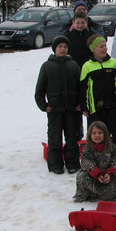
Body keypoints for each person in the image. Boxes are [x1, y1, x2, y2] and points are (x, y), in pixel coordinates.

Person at [34, 36, 81, 174]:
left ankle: (72, 162)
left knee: (72, 136)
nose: (62, 49)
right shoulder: (47, 66)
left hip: (71, 108)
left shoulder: (73, 65)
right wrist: (44, 105)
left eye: (65, 47)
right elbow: (40, 89)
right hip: (55, 109)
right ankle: (55, 164)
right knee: (54, 138)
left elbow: (80, 86)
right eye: (60, 47)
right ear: (55, 48)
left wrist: (80, 103)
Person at [79, 35, 116, 159]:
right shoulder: (87, 66)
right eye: (100, 46)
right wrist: (84, 105)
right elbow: (83, 88)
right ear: (93, 49)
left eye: (105, 45)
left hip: (113, 104)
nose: (104, 48)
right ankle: (96, 156)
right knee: (97, 131)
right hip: (95, 107)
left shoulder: (113, 62)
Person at [73, 120, 116, 202]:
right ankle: (86, 196)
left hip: (109, 179)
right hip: (94, 180)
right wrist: (97, 174)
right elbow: (86, 164)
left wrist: (109, 174)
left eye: (100, 133)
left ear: (105, 134)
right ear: (90, 135)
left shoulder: (112, 148)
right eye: (94, 133)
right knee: (81, 176)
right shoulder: (87, 149)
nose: (97, 135)